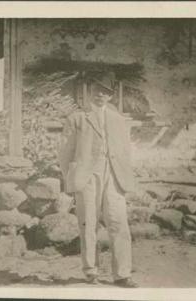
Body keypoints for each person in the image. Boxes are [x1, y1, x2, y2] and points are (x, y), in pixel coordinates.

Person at [59, 73, 138, 288]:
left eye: (106, 92)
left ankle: (122, 274)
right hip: (87, 175)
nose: (101, 95)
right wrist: (72, 177)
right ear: (90, 92)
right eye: (97, 90)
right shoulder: (77, 118)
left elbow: (124, 151)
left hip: (112, 174)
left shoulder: (118, 119)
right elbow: (65, 153)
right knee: (88, 222)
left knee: (118, 221)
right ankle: (91, 271)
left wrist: (124, 176)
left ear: (111, 95)